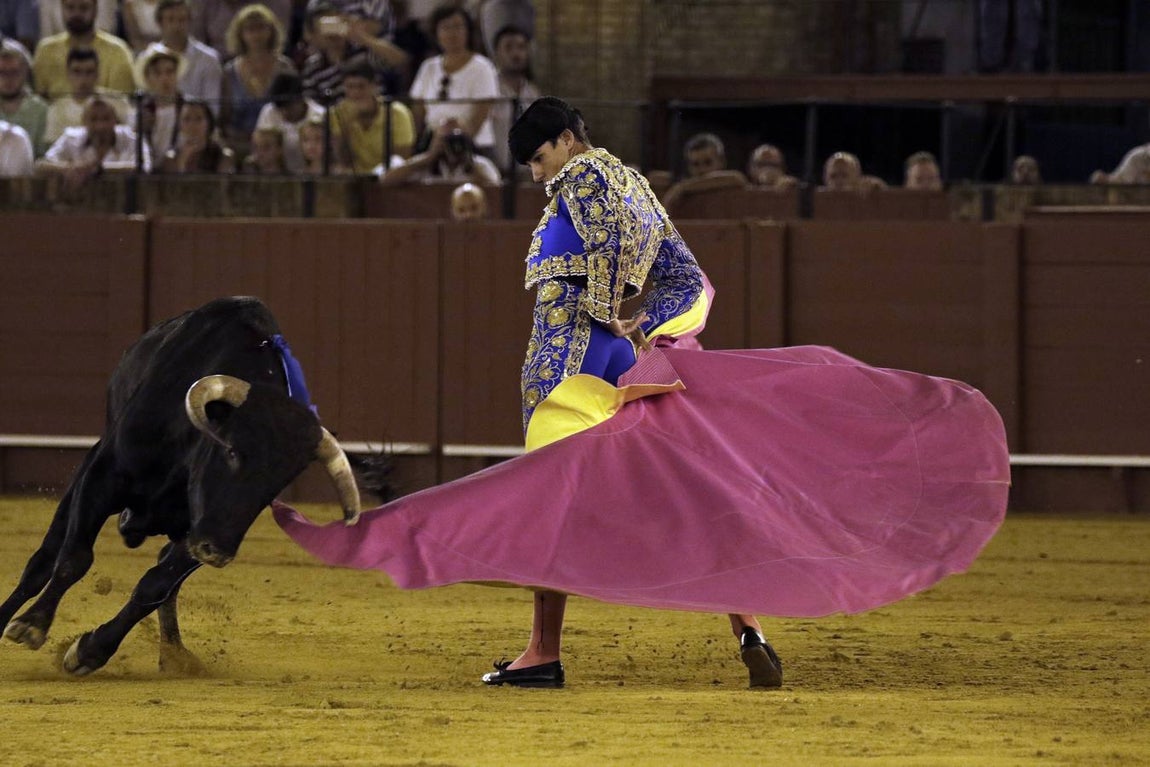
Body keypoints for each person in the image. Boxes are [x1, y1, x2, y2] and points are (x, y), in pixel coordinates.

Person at [471, 97, 781, 690]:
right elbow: (686, 277)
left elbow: (607, 246)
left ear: (566, 140)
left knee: (551, 497)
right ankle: (748, 624)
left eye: (539, 159)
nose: (538, 175)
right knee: (687, 487)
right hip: (623, 357)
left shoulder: (583, 173)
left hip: (568, 349)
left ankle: (542, 652)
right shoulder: (635, 183)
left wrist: (602, 309)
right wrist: (642, 327)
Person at [408, 4, 498, 156]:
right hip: (432, 146)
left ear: (468, 31)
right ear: (436, 34)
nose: (452, 33)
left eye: (458, 27)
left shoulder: (482, 67)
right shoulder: (428, 67)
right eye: (445, 28)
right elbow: (418, 113)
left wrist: (457, 134)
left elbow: (480, 116)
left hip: (473, 147)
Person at [218, 4, 297, 159]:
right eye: (250, 29)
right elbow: (223, 118)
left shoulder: (285, 67)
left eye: (261, 28)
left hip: (277, 150)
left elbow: (293, 112)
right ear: (240, 34)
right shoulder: (229, 72)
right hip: (238, 147)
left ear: (271, 31)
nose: (256, 35)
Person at [298, 2, 409, 103]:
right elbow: (312, 105)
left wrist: (363, 38)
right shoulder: (312, 67)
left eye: (335, 24)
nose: (332, 33)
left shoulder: (364, 54)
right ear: (315, 34)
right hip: (335, 120)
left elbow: (401, 60)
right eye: (325, 26)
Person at [38, 96, 151, 193]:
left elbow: (143, 168)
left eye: (106, 119)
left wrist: (99, 169)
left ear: (115, 121)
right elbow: (41, 166)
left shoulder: (131, 138)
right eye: (94, 119)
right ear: (84, 121)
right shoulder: (71, 137)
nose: (100, 126)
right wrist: (69, 168)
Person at [32, 0, 135, 99]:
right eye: (70, 7)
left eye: (84, 7)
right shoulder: (46, 50)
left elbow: (121, 102)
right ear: (61, 9)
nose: (77, 13)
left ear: (95, 10)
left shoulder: (117, 51)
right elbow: (40, 102)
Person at [329, 55, 414, 174]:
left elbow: (402, 159)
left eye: (361, 86)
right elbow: (342, 160)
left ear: (374, 86)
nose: (355, 93)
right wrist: (347, 126)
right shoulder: (337, 113)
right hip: (354, 178)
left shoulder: (397, 113)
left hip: (387, 178)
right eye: (350, 87)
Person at [143, 0, 223, 110]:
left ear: (190, 22)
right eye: (170, 19)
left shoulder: (209, 59)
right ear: (159, 23)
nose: (176, 26)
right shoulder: (146, 58)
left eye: (182, 20)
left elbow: (213, 109)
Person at [43, 47, 130, 145]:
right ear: (68, 74)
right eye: (77, 72)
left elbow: (129, 140)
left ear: (97, 74)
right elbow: (54, 149)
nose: (83, 79)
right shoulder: (57, 108)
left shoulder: (118, 102)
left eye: (89, 72)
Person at [377, 119, 499, 185]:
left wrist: (469, 163)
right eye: (447, 139)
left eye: (457, 139)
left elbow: (496, 189)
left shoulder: (481, 164)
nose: (453, 145)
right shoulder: (424, 164)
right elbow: (386, 180)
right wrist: (428, 157)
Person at [488, 23, 539, 175]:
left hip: (526, 175)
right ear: (496, 53)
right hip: (494, 173)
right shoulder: (489, 90)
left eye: (521, 47)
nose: (516, 54)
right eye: (509, 48)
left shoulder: (532, 93)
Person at [256, 71, 325, 173]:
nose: (284, 112)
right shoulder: (269, 111)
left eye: (288, 107)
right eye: (280, 108)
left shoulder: (320, 115)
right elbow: (261, 147)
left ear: (300, 99)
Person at [661, 132, 749, 209]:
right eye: (695, 164)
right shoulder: (682, 188)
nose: (702, 170)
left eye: (708, 162)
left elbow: (737, 178)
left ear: (721, 162)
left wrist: (682, 187)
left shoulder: (730, 181)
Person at [129, 44, 186, 157]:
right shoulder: (140, 112)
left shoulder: (189, 108)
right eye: (157, 73)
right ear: (147, 78)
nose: (164, 78)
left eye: (170, 72)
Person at [192, 0, 293, 62]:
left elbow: (278, 43)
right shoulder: (202, 3)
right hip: (216, 67)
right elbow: (197, 43)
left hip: (267, 62)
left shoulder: (278, 3)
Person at [158, 97, 236, 173]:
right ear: (179, 124)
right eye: (187, 119)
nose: (192, 125)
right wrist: (182, 161)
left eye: (198, 119)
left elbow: (223, 184)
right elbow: (173, 185)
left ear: (209, 123)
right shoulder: (171, 157)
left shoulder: (223, 156)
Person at [0, 39, 49, 157]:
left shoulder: (40, 109)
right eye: (2, 73)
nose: (8, 79)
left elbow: (44, 155)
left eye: (14, 72)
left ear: (25, 72)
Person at [821, 151, 887, 191]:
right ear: (825, 179)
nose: (838, 182)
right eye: (833, 176)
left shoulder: (865, 201)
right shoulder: (816, 203)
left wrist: (879, 188)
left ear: (857, 178)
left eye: (844, 176)